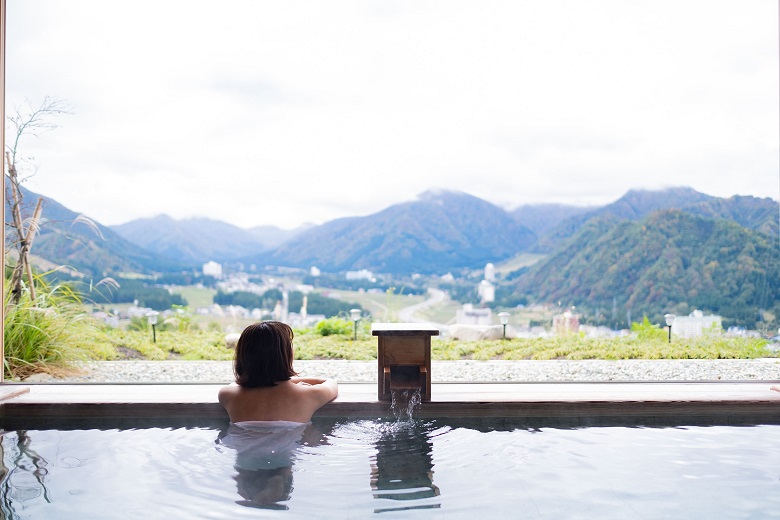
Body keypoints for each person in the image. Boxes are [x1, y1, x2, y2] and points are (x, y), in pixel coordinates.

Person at [218, 320, 338, 423]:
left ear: (242, 356)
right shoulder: (310, 395)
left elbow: (238, 383)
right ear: (286, 355)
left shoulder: (227, 395)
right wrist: (297, 385)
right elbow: (330, 383)